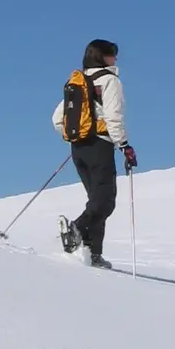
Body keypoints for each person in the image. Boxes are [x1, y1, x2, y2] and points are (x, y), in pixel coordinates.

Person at [52, 38, 137, 268]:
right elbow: (113, 117)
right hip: (100, 146)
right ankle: (76, 229)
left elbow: (57, 118)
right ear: (101, 56)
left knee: (96, 201)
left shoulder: (79, 82)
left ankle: (92, 254)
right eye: (112, 53)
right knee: (105, 202)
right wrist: (124, 145)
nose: (116, 58)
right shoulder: (109, 81)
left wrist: (80, 134)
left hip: (79, 149)